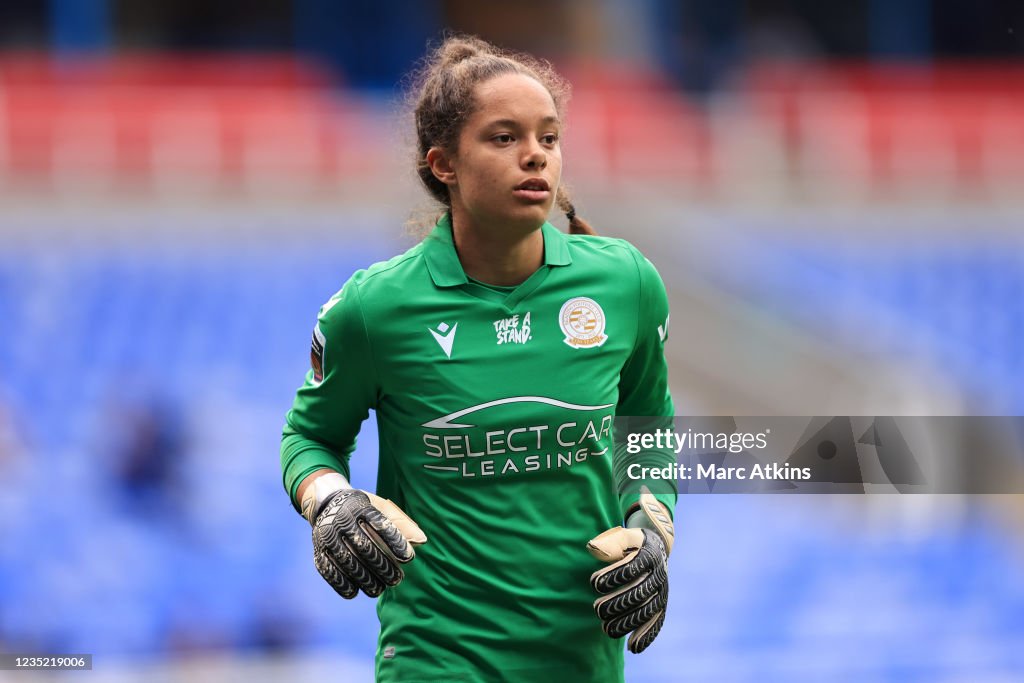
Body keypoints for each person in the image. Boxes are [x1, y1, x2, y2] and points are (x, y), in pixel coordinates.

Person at [280, 34, 677, 683]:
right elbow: (310, 436)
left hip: (582, 659)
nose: (535, 157)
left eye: (548, 138)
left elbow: (648, 425)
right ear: (444, 164)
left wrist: (652, 527)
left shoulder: (627, 283)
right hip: (438, 658)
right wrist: (330, 501)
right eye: (503, 138)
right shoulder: (373, 308)